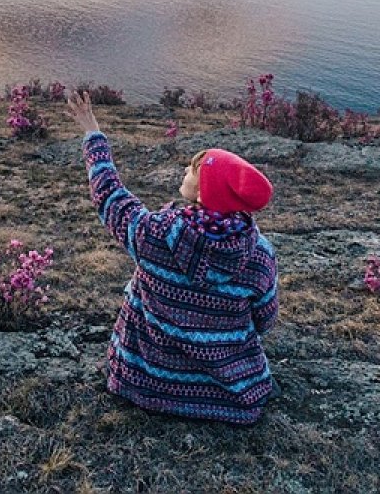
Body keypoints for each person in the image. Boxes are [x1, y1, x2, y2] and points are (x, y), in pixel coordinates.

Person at [65, 90, 278, 425]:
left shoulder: (155, 234)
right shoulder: (260, 254)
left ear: (205, 192)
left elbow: (109, 195)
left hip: (145, 382)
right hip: (228, 391)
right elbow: (264, 320)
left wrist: (93, 133)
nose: (185, 170)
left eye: (193, 170)